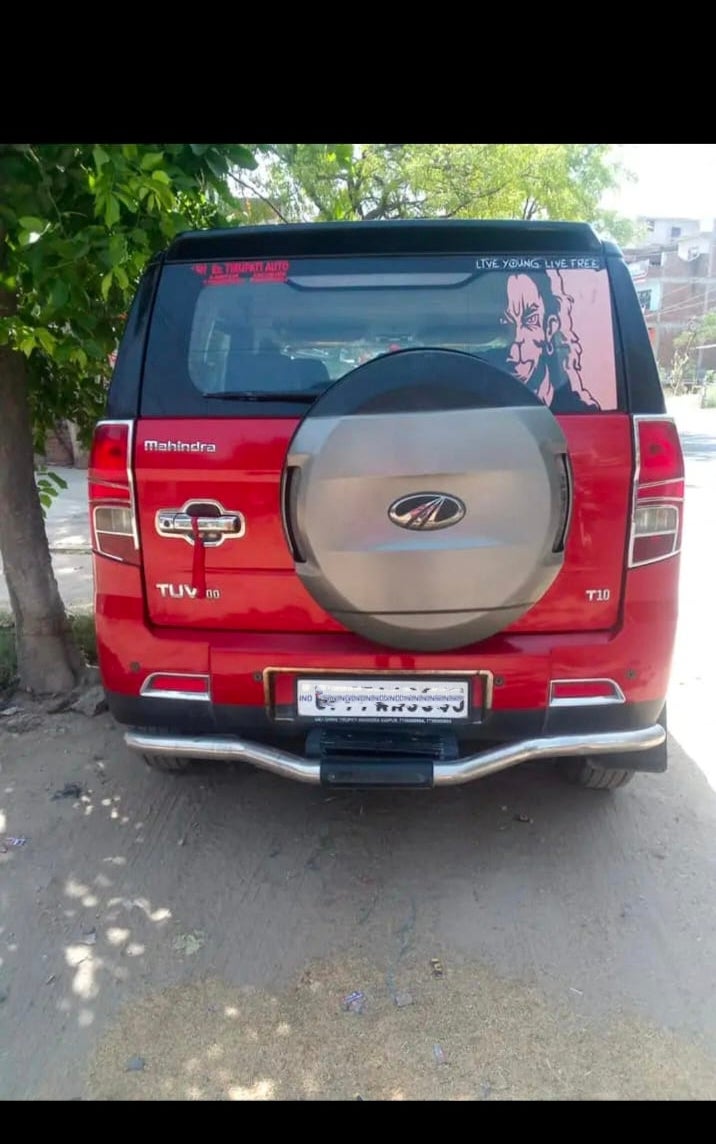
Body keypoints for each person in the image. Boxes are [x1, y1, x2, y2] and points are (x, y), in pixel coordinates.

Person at [499, 270, 600, 411]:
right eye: (506, 322)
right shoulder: (476, 375)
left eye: (531, 320)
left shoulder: (582, 409)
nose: (517, 339)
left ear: (549, 328)